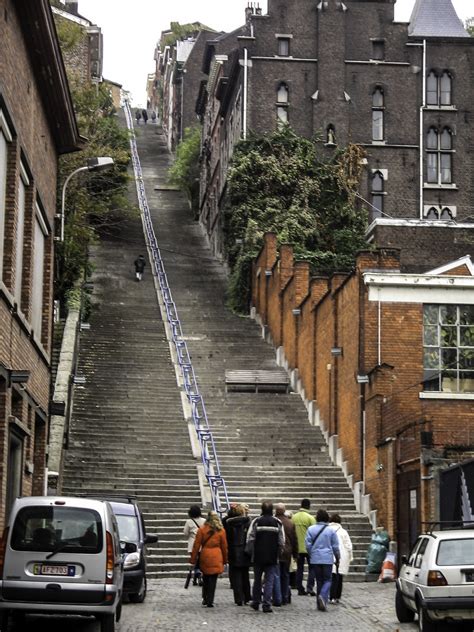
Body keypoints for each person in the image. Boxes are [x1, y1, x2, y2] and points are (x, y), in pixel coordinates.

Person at [246, 501, 285, 613]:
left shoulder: (256, 521)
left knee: (257, 580)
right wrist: (279, 552)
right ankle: (266, 604)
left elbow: (250, 538)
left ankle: (256, 601)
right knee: (269, 581)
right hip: (272, 556)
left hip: (258, 555)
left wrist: (250, 552)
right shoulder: (277, 522)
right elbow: (281, 541)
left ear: (262, 510)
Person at [190, 511, 228, 608]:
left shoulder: (202, 530)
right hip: (217, 555)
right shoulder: (221, 531)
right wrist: (225, 559)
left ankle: (205, 597)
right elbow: (224, 547)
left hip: (205, 555)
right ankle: (210, 599)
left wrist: (193, 559)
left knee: (206, 577)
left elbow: (196, 545)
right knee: (213, 579)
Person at [305, 509, 340, 612]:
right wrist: (337, 558)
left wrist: (312, 553)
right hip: (327, 558)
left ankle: (320, 603)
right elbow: (335, 547)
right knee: (328, 580)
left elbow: (308, 545)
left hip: (315, 558)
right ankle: (323, 596)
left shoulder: (311, 529)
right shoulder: (331, 531)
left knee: (319, 580)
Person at [224, 503, 251, 606]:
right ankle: (247, 597)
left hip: (233, 550)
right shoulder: (247, 522)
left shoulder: (228, 523)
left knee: (236, 577)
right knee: (245, 575)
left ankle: (238, 598)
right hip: (244, 550)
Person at [274, 503, 298, 605]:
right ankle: (285, 596)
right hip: (287, 552)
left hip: (275, 552)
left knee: (276, 575)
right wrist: (295, 554)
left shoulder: (273, 522)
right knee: (285, 575)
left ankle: (277, 597)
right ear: (284, 511)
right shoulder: (290, 523)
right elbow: (294, 540)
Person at [292, 498, 316, 595]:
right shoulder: (310, 518)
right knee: (312, 568)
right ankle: (310, 587)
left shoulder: (294, 517)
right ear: (308, 506)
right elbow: (315, 533)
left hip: (298, 547)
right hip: (309, 547)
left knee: (299, 569)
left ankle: (299, 588)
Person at [328, 513, 353, 604]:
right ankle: (337, 596)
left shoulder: (327, 530)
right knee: (339, 577)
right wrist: (350, 557)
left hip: (329, 555)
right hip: (342, 556)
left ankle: (331, 596)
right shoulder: (343, 532)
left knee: (332, 577)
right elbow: (349, 546)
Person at [183, 505, 205, 586]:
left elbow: (185, 533)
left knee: (195, 561)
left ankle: (197, 575)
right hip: (202, 544)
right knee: (200, 561)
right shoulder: (204, 521)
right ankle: (199, 575)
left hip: (193, 543)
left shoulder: (189, 522)